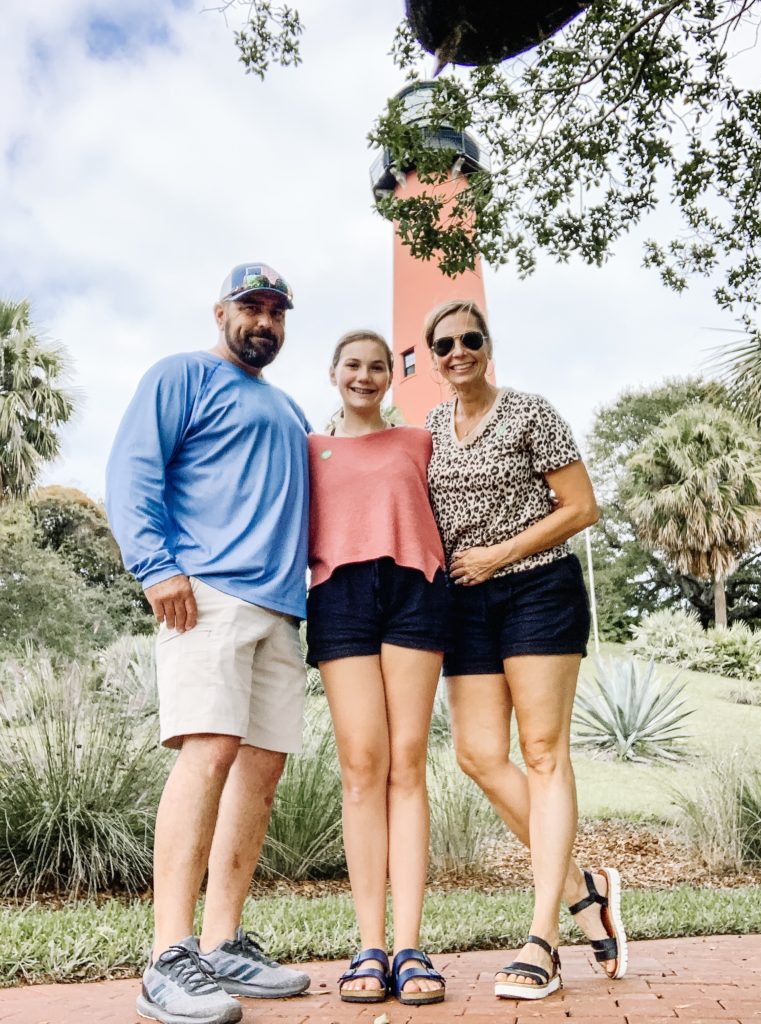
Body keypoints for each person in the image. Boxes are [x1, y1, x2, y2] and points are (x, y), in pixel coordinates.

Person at [106, 263, 312, 1024]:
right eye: (251, 307)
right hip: (207, 595)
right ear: (221, 310)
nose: (264, 322)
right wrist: (156, 566)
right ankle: (169, 956)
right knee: (209, 753)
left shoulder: (290, 407)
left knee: (259, 773)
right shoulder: (182, 376)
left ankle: (225, 945)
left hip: (282, 610)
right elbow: (132, 473)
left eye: (277, 313)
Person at [423, 299, 628, 1001]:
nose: (458, 351)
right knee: (478, 754)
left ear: (487, 345)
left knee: (543, 755)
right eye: (444, 343)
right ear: (430, 355)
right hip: (466, 604)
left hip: (538, 589)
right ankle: (584, 888)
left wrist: (499, 554)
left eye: (469, 339)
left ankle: (544, 936)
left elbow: (582, 506)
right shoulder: (426, 430)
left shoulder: (531, 413)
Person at [305, 329, 448, 1006]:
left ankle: (412, 946)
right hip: (339, 597)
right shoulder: (308, 449)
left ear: (392, 376)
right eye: (353, 366)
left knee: (408, 761)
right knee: (362, 764)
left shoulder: (419, 442)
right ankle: (369, 945)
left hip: (415, 591)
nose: (365, 376)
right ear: (334, 374)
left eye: (377, 367)